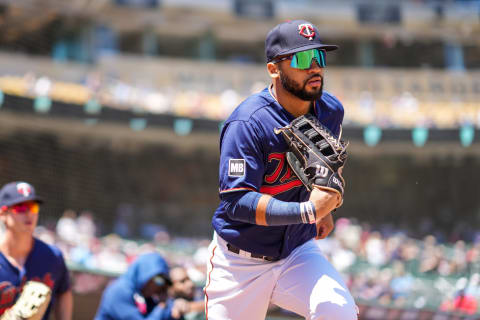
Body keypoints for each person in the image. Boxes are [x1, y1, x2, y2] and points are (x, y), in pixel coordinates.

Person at [204, 20, 358, 320]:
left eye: (320, 58)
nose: (315, 67)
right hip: (240, 260)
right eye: (302, 59)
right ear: (274, 69)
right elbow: (237, 202)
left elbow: (323, 169)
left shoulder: (330, 110)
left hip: (297, 251)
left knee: (338, 312)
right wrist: (309, 211)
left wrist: (323, 209)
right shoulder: (247, 123)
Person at [0, 181, 72, 319]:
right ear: (3, 213)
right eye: (20, 208)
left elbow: (64, 291)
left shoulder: (52, 256)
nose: (29, 214)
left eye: (33, 207)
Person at [95, 252, 192, 320]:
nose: (158, 286)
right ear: (144, 274)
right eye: (158, 279)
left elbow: (162, 314)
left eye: (162, 281)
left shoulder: (141, 293)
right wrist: (162, 305)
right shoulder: (119, 292)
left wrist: (174, 306)